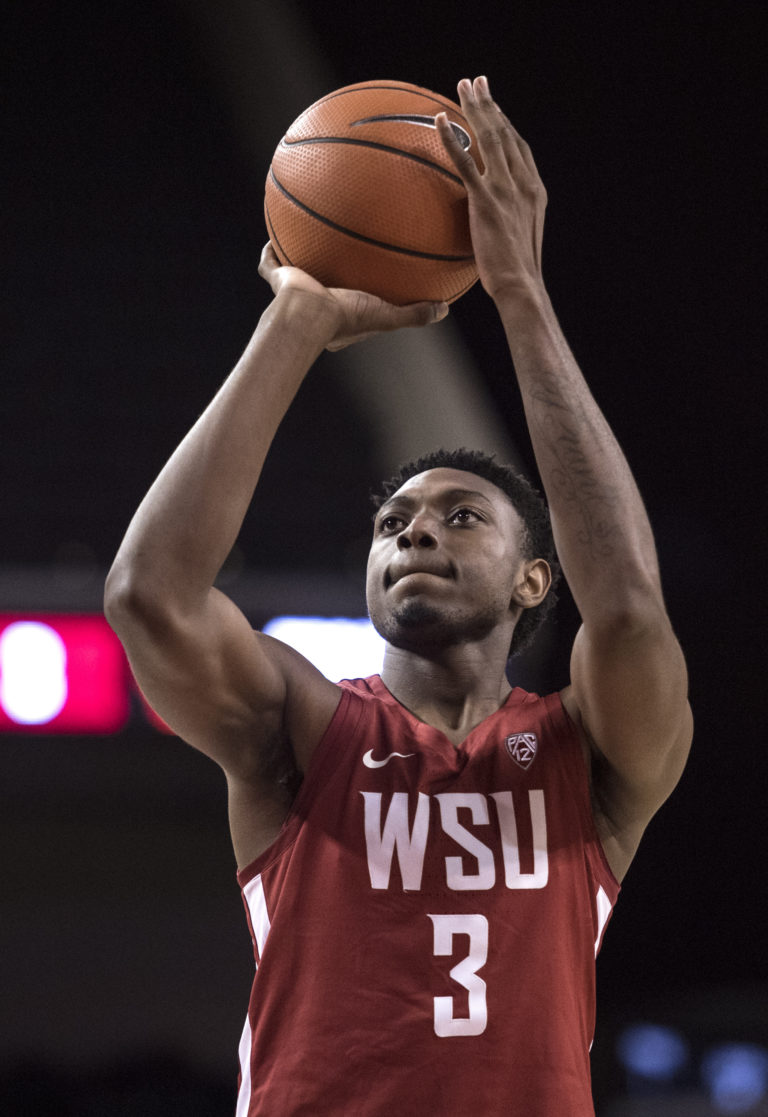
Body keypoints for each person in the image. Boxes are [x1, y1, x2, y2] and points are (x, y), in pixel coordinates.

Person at [104, 76, 693, 1116]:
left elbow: (634, 611)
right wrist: (296, 322)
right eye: (393, 524)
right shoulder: (304, 725)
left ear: (533, 580)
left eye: (461, 515)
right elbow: (149, 597)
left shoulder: (588, 753)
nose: (414, 528)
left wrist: (521, 293)